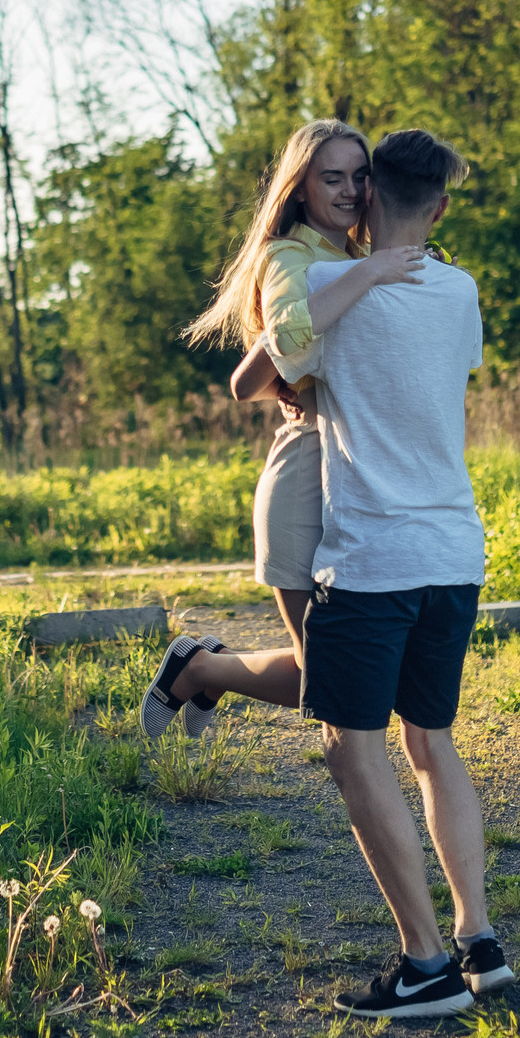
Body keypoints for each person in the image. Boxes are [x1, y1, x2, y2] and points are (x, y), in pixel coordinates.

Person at [255, 128, 513, 1017]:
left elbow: (274, 364)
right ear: (439, 206)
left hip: (371, 560)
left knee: (349, 746)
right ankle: (479, 935)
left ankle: (425, 965)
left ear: (368, 198)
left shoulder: (324, 286)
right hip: (454, 554)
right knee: (431, 741)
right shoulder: (462, 289)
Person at [143, 120, 426, 739]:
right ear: (300, 188)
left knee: (345, 672)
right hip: (303, 480)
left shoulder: (357, 258)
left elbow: (268, 371)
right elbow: (288, 337)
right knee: (328, 677)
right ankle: (196, 670)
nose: (350, 191)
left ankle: (201, 669)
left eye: (360, 177)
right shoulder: (289, 257)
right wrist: (371, 272)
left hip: (360, 484)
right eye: (333, 178)